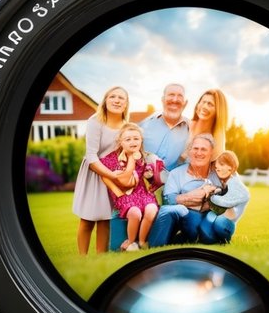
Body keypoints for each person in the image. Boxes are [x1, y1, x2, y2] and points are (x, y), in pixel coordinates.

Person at [72, 86, 131, 254]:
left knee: (105, 218)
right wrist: (111, 175)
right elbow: (91, 156)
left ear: (126, 104)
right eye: (113, 96)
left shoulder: (126, 126)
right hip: (94, 172)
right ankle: (82, 258)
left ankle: (100, 257)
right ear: (105, 100)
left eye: (121, 98)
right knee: (88, 218)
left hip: (114, 176)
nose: (117, 100)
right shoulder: (95, 121)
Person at [98, 122, 164, 251]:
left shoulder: (144, 157)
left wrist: (150, 175)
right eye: (128, 139)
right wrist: (117, 191)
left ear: (141, 140)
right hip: (125, 195)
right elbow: (103, 174)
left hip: (142, 193)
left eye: (136, 138)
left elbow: (150, 178)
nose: (132, 142)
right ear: (120, 142)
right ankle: (131, 240)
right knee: (135, 212)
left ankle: (142, 240)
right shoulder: (113, 158)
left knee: (151, 209)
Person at [149, 133, 222, 246]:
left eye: (204, 149)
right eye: (195, 148)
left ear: (211, 153)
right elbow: (168, 199)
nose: (199, 153)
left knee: (199, 226)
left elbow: (225, 198)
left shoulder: (218, 174)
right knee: (167, 211)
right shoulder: (176, 173)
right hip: (180, 215)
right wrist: (189, 197)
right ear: (189, 151)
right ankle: (154, 248)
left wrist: (206, 200)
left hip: (205, 218)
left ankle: (178, 242)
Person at [197, 150, 250, 244]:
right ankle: (214, 240)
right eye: (217, 167)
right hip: (217, 214)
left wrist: (214, 195)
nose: (217, 169)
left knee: (220, 223)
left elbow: (225, 201)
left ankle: (223, 239)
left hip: (227, 221)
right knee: (206, 232)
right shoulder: (219, 179)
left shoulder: (235, 183)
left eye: (221, 165)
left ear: (231, 167)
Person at [140, 83, 190, 170]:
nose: (175, 99)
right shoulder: (144, 124)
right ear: (163, 99)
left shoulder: (191, 130)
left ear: (185, 102)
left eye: (180, 96)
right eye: (171, 95)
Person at [183, 89, 228, 162]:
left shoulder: (212, 142)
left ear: (218, 111)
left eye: (210, 104)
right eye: (203, 102)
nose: (204, 106)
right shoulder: (184, 125)